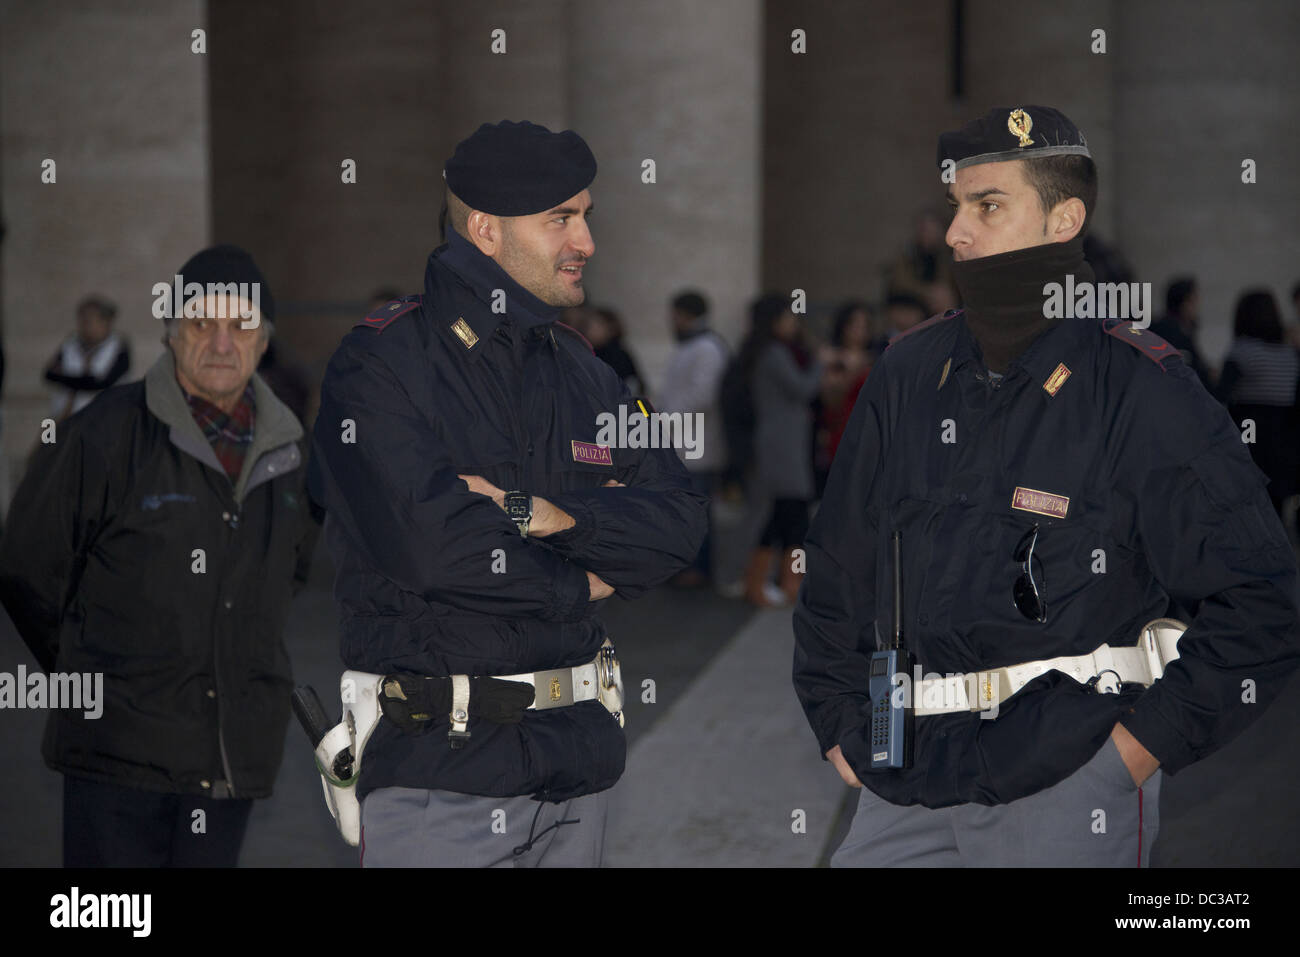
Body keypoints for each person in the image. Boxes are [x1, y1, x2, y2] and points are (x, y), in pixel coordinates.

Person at [793, 105, 1300, 867]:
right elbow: (838, 562)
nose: (958, 233)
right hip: (905, 775)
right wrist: (837, 721)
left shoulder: (1138, 386)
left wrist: (1130, 754)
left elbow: (1263, 597)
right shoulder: (907, 371)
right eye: (956, 206)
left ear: (1064, 219)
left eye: (987, 205)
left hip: (1065, 780)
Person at [307, 120, 706, 868]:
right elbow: (437, 548)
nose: (586, 241)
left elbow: (681, 517)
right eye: (561, 218)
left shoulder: (587, 373)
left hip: (581, 771)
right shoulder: (381, 366)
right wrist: (586, 574)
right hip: (444, 778)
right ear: (486, 229)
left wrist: (553, 516)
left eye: (586, 215)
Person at [0, 244, 318, 867]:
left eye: (241, 326)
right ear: (172, 333)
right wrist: (92, 673)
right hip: (117, 760)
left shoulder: (291, 455)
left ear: (264, 341)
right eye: (202, 324)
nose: (222, 344)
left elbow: (289, 571)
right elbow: (27, 566)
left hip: (229, 762)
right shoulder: (103, 433)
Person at [737, 293, 824, 607]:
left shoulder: (766, 351)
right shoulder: (774, 353)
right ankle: (772, 583)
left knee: (786, 514)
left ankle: (780, 582)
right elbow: (803, 388)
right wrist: (819, 364)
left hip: (783, 442)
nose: (793, 323)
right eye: (787, 317)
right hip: (781, 444)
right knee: (787, 513)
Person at [659, 290, 729, 585]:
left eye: (675, 315)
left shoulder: (708, 348)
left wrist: (665, 418)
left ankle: (698, 570)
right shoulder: (690, 346)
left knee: (695, 512)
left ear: (685, 315)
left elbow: (702, 396)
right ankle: (685, 567)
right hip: (682, 444)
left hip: (697, 447)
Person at [1215, 289, 1300, 518]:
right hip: (1284, 447)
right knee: (1276, 514)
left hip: (1250, 441)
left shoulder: (1241, 351)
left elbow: (1218, 396)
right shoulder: (1289, 355)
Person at [43, 295, 131, 420]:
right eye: (82, 320)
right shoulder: (71, 343)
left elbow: (103, 382)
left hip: (103, 419)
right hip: (64, 416)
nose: (85, 325)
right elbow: (49, 375)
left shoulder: (119, 347)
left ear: (105, 322)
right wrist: (84, 380)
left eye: (90, 321)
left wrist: (66, 378)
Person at [886, 210, 958, 315]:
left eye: (932, 231)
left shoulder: (944, 254)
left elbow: (945, 282)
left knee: (944, 295)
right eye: (924, 230)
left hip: (935, 302)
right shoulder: (908, 253)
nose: (927, 234)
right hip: (911, 302)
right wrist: (927, 291)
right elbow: (901, 281)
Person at [1150, 277, 1213, 390]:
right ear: (1183, 304)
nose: (1197, 306)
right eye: (1194, 300)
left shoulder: (1184, 329)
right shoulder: (1170, 331)